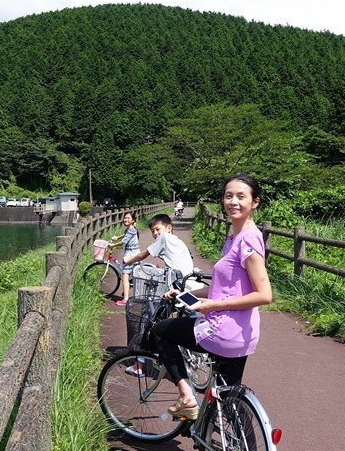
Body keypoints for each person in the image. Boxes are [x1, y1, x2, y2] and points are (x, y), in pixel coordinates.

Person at [150, 174, 272, 419]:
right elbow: (222, 286)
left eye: (241, 196)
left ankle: (186, 396)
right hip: (243, 333)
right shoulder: (236, 237)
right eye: (229, 196)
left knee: (160, 331)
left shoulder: (247, 240)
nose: (233, 202)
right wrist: (186, 294)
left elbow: (264, 295)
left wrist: (215, 305)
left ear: (255, 202)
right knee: (230, 399)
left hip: (222, 329)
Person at [122, 213, 195, 376]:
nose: (155, 233)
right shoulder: (178, 242)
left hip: (177, 289)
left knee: (148, 317)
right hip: (190, 288)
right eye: (153, 231)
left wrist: (128, 261)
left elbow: (143, 255)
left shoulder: (164, 239)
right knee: (191, 316)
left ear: (169, 228)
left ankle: (138, 367)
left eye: (157, 229)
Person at [108, 211, 140, 306]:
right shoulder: (130, 229)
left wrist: (113, 245)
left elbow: (124, 242)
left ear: (133, 220)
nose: (126, 219)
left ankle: (125, 299)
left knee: (124, 277)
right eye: (125, 218)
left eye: (128, 218)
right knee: (129, 275)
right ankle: (126, 290)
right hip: (133, 253)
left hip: (130, 255)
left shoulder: (131, 230)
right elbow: (125, 235)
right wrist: (117, 237)